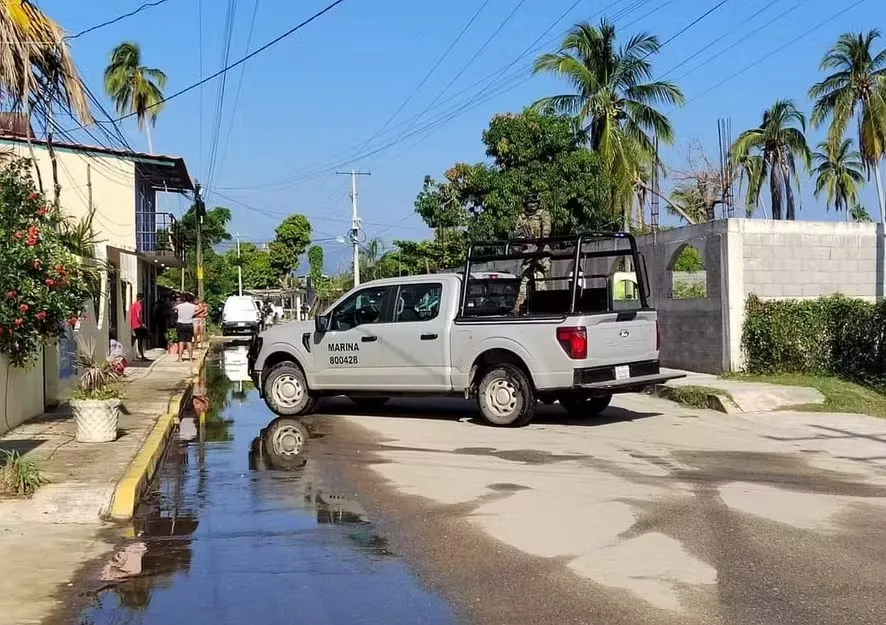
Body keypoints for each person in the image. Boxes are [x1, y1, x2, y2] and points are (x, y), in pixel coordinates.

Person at [513, 194, 552, 314]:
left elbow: (546, 231)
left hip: (541, 249)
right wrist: (524, 245)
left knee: (540, 276)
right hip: (528, 250)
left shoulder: (543, 214)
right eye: (529, 203)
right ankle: (518, 307)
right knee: (525, 278)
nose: (532, 205)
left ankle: (544, 305)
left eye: (534, 202)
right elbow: (516, 233)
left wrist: (539, 250)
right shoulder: (522, 217)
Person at [175, 294, 198, 362]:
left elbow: (174, 309)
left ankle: (180, 358)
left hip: (181, 324)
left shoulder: (179, 306)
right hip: (189, 324)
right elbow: (198, 309)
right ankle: (190, 358)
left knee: (181, 341)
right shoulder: (193, 306)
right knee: (189, 341)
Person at [129, 292, 148, 360]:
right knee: (141, 340)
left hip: (134, 324)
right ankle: (142, 356)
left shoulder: (133, 304)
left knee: (139, 338)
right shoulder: (138, 305)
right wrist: (142, 324)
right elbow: (138, 316)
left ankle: (134, 338)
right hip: (138, 325)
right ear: (142, 298)